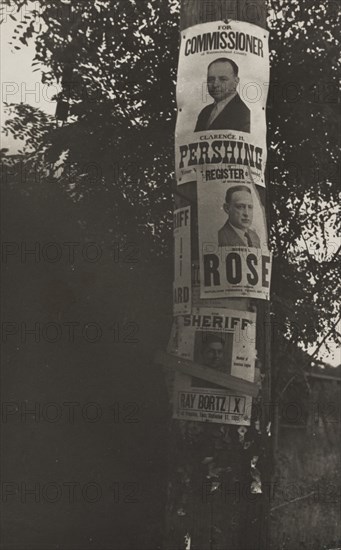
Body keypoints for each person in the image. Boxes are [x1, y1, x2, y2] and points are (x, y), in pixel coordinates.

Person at [194, 58, 250, 133]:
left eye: (223, 79)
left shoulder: (245, 114)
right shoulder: (205, 112)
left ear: (236, 81)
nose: (215, 84)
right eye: (211, 79)